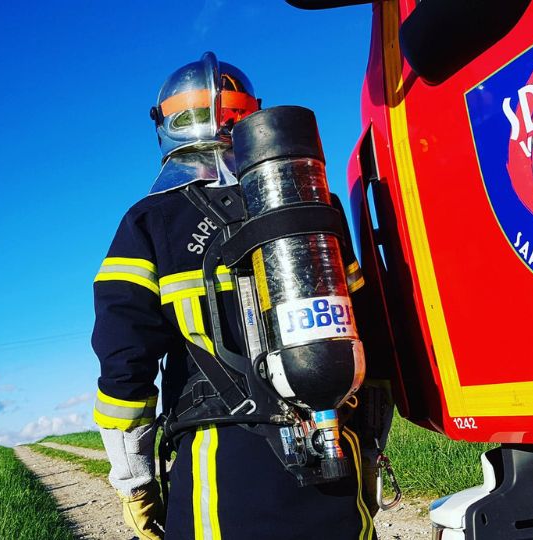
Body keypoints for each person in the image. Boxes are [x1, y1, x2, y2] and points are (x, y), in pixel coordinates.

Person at [91, 52, 381, 540]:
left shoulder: (148, 222)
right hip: (335, 448)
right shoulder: (314, 205)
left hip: (218, 468)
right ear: (250, 116)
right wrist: (368, 449)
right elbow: (370, 332)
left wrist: (135, 485)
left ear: (166, 125)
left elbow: (124, 367)